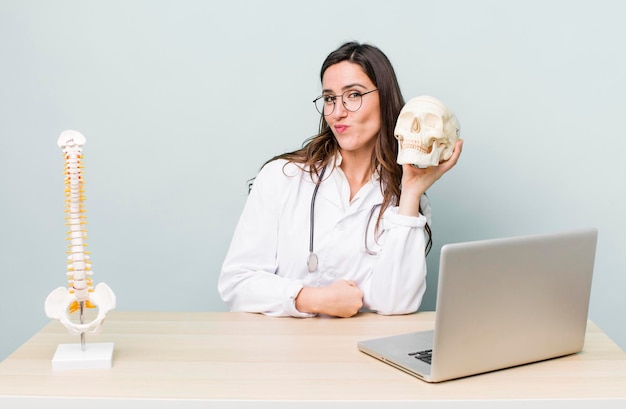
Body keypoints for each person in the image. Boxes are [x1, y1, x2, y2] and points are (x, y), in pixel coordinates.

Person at [218, 41, 463, 318]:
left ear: (385, 99)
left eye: (354, 95)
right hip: (282, 352)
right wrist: (311, 298)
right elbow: (237, 282)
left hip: (360, 355)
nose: (337, 112)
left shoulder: (407, 200)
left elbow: (396, 302)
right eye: (330, 98)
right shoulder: (281, 177)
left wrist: (410, 192)